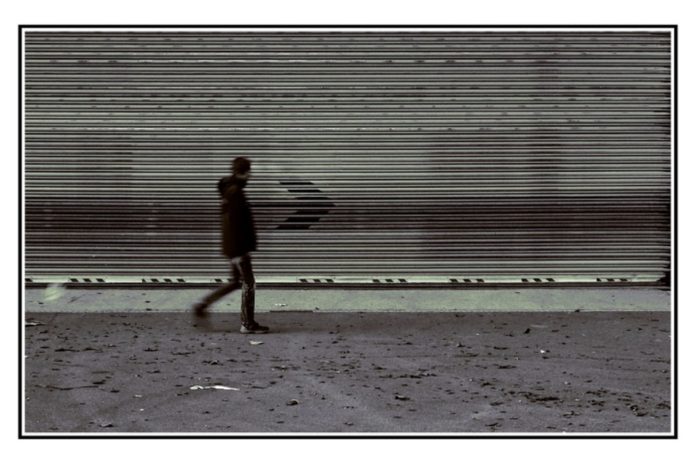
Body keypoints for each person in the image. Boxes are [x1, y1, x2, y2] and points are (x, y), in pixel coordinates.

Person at [192, 157, 269, 334]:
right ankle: (247, 324)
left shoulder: (231, 190)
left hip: (235, 247)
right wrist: (239, 252)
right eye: (248, 172)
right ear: (242, 172)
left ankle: (202, 305)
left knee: (236, 282)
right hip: (238, 248)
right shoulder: (235, 192)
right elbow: (233, 225)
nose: (250, 175)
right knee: (248, 283)